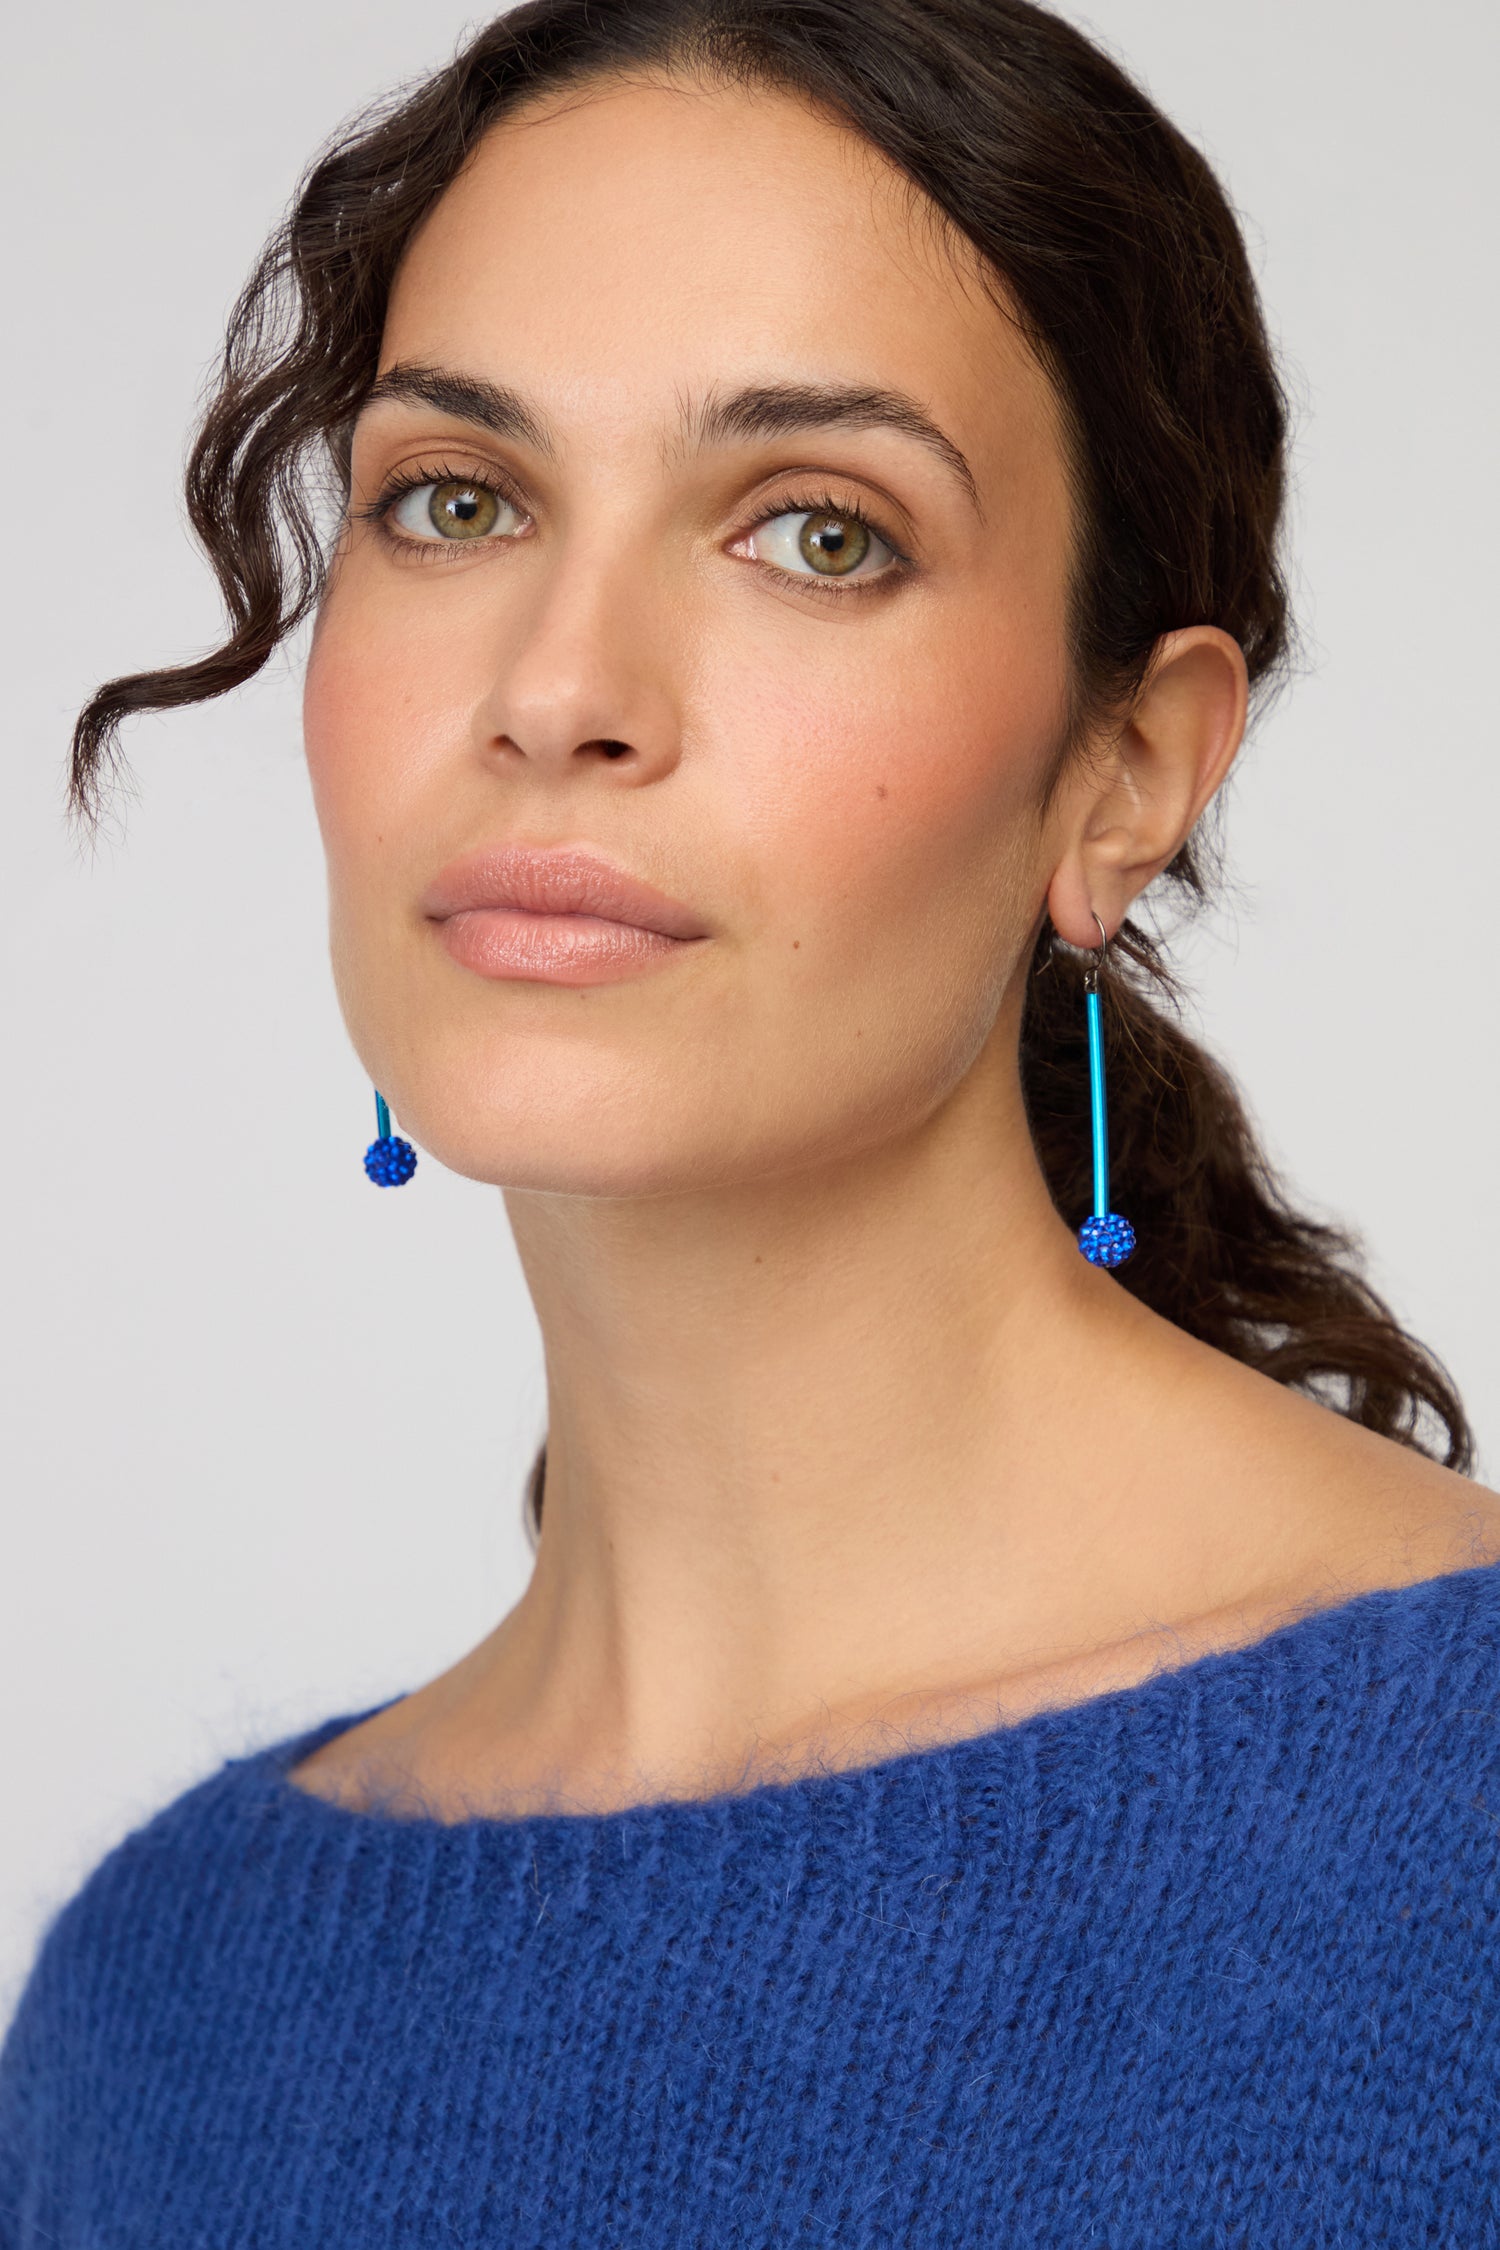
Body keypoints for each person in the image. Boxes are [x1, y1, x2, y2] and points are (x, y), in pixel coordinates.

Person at [4, 0, 1498, 2237]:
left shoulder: (1453, 1829)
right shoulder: (160, 2004)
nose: (561, 692)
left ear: (1128, 775)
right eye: (456, 498)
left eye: (815, 533)